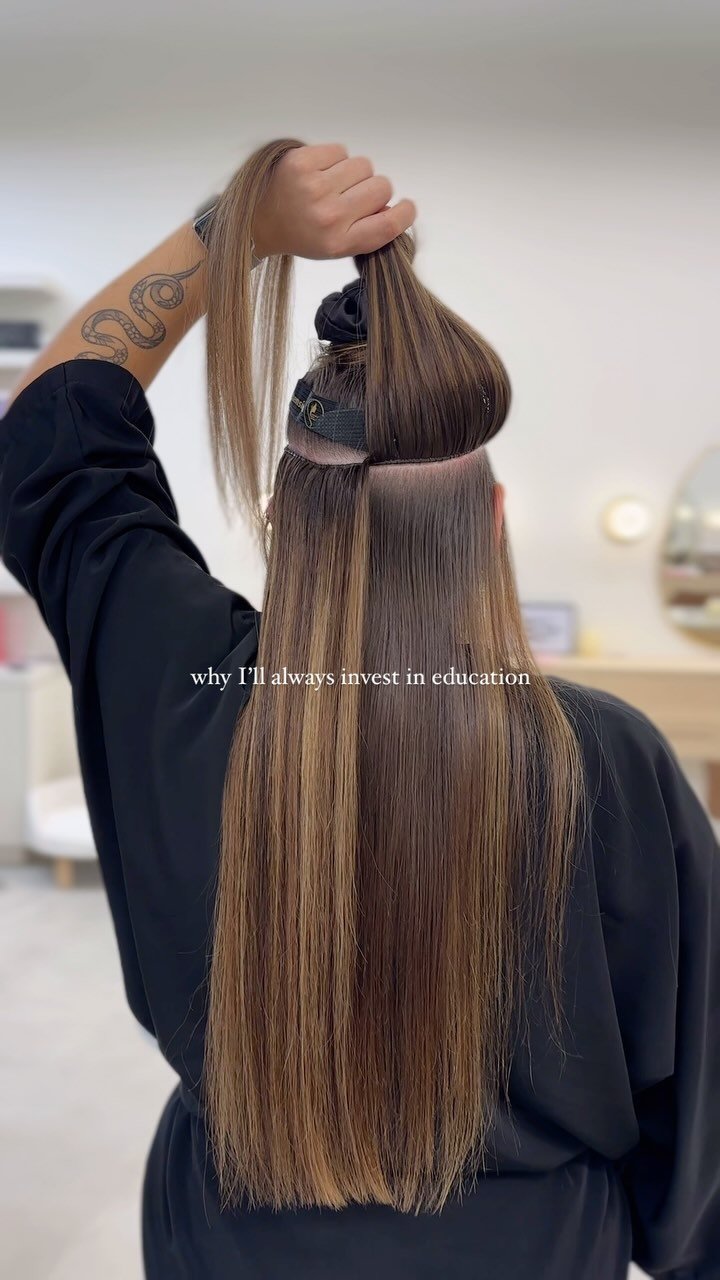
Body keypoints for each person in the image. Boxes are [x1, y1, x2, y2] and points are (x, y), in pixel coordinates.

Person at [0, 138, 718, 1280]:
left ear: (284, 518)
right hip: (534, 1249)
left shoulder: (174, 679)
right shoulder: (606, 758)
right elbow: (692, 1098)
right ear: (489, 525)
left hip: (227, 1241)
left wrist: (233, 230)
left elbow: (47, 432)